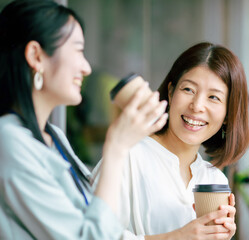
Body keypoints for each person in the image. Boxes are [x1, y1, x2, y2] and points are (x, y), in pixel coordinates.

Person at [0, 0, 168, 239]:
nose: (87, 67)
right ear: (36, 56)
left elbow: (102, 222)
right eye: (78, 51)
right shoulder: (9, 142)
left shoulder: (54, 136)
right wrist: (116, 147)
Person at [114, 42, 249, 239]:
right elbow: (90, 234)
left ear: (228, 115)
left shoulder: (214, 180)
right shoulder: (126, 158)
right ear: (170, 92)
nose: (197, 106)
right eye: (188, 89)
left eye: (213, 97)